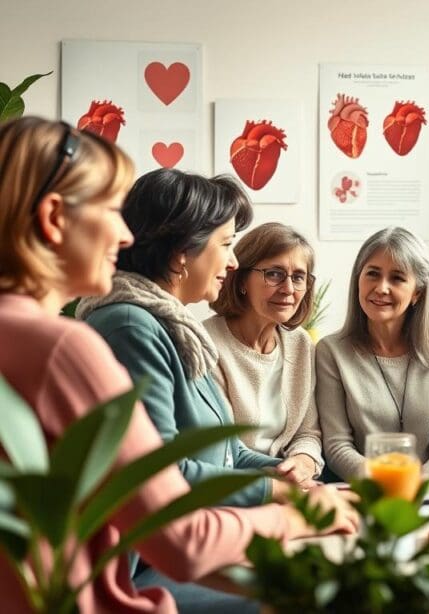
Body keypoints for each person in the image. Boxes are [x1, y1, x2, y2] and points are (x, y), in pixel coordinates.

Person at [0, 117, 357, 613]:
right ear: (55, 217)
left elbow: (217, 458)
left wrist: (283, 480)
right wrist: (296, 511)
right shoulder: (80, 342)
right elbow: (178, 536)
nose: (125, 235)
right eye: (109, 209)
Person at [75, 168, 355, 609]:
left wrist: (288, 475)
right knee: (315, 594)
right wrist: (274, 492)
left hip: (188, 538)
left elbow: (228, 452)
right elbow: (160, 474)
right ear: (182, 250)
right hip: (143, 567)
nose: (231, 262)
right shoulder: (131, 326)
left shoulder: (177, 327)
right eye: (225, 245)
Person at [316, 227, 429, 480]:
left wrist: (417, 485)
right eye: (372, 274)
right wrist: (385, 483)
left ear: (417, 292)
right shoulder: (331, 351)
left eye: (397, 278)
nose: (381, 288)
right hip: (366, 493)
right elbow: (337, 446)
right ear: (358, 280)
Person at [205, 222, 323, 489]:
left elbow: (308, 432)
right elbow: (219, 450)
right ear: (242, 279)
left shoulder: (301, 344)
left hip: (292, 486)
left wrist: (303, 461)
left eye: (298, 277)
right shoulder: (206, 343)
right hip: (231, 489)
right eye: (274, 274)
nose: (288, 289)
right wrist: (277, 478)